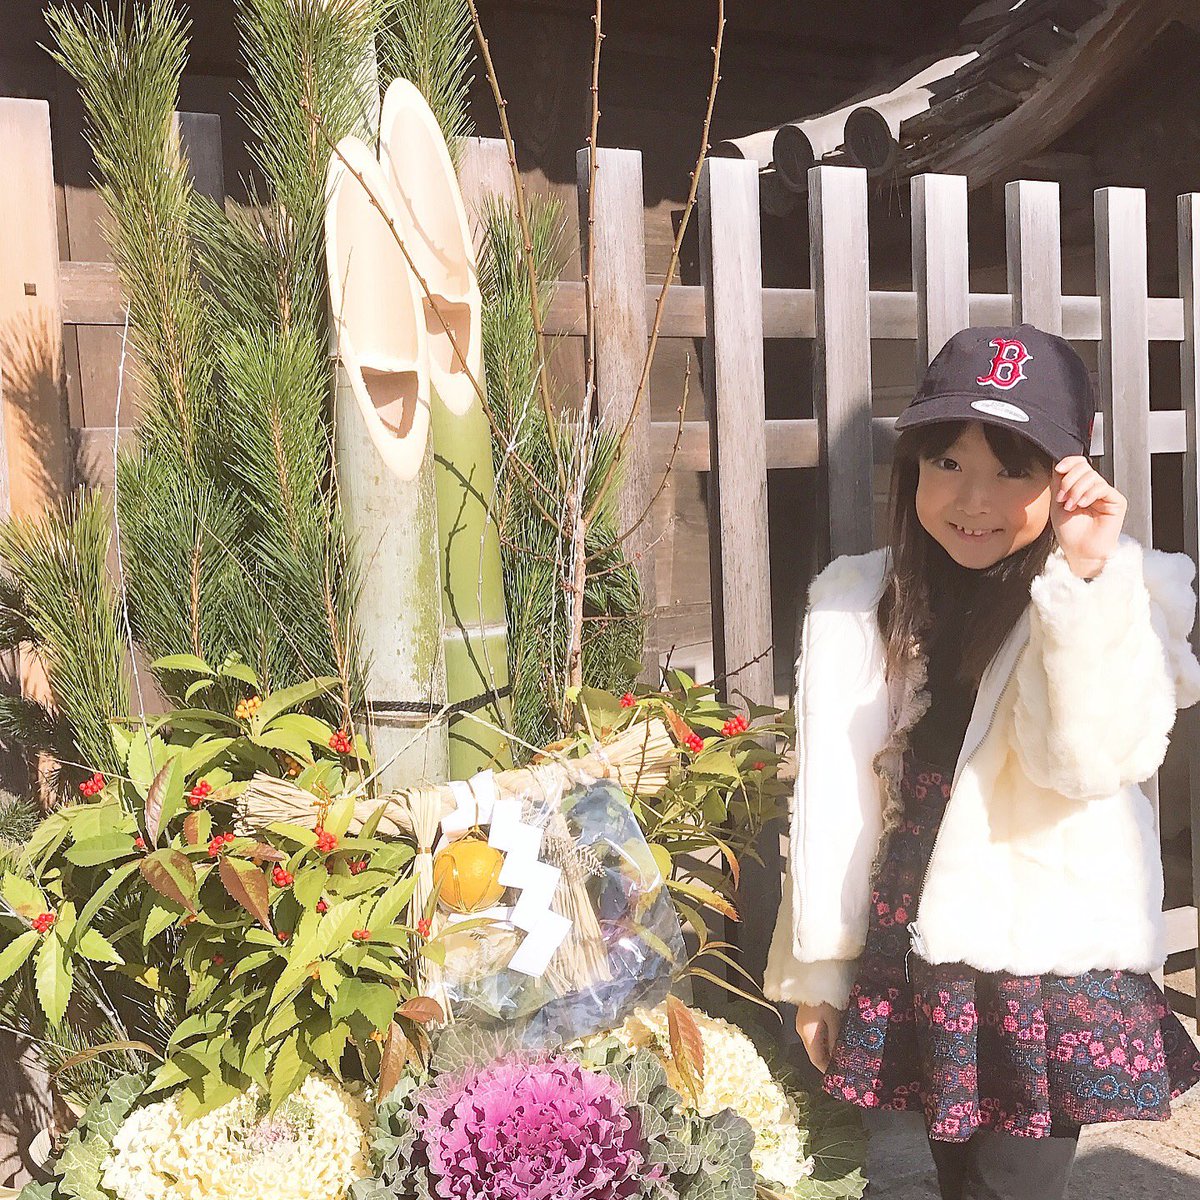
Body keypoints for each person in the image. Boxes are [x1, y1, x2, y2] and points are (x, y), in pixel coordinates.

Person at [764, 324, 1200, 1200]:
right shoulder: (866, 601)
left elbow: (1093, 757)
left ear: (1065, 481)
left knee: (1011, 1185)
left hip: (1045, 957)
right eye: (948, 462)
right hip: (917, 935)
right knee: (956, 1174)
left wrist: (1084, 577)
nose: (974, 498)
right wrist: (819, 972)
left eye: (1012, 470)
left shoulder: (1110, 593)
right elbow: (835, 811)